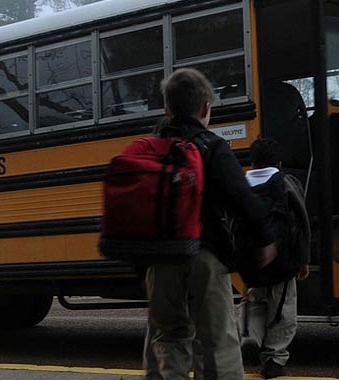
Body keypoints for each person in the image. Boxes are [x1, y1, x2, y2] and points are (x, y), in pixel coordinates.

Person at [143, 68, 272, 380]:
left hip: (160, 258)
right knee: (217, 339)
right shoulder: (212, 146)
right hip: (206, 254)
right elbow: (241, 199)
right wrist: (265, 239)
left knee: (167, 335)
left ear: (167, 109)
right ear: (205, 109)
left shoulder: (150, 150)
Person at [237, 137, 310, 379]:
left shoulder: (240, 185)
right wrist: (303, 259)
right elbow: (301, 222)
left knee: (254, 301)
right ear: (277, 162)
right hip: (283, 261)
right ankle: (275, 358)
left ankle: (250, 337)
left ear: (253, 161)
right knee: (282, 308)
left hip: (252, 261)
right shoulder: (286, 182)